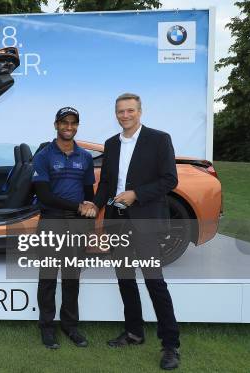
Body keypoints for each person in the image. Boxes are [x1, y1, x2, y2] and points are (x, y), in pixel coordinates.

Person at [92, 93, 181, 370]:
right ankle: (134, 332)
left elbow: (170, 179)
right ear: (116, 113)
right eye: (120, 111)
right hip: (117, 221)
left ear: (140, 111)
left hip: (145, 220)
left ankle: (171, 346)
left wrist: (136, 194)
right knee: (125, 279)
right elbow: (106, 183)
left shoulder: (159, 139)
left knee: (154, 281)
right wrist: (93, 206)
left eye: (130, 110)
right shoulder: (111, 144)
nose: (125, 115)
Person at [32, 106, 96, 349]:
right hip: (51, 221)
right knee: (48, 278)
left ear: (77, 125)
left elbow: (89, 195)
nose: (69, 127)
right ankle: (47, 328)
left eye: (73, 123)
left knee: (72, 278)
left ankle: (70, 327)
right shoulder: (44, 156)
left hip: (77, 225)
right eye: (64, 122)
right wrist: (78, 206)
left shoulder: (85, 157)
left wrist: (88, 223)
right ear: (56, 124)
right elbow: (44, 196)